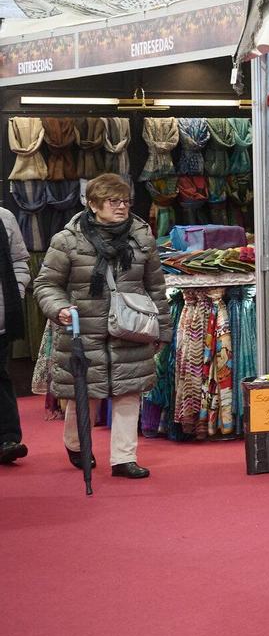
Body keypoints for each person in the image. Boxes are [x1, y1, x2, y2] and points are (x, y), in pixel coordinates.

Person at [34, 173, 168, 479]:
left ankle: (124, 458)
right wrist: (59, 308)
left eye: (126, 201)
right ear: (93, 205)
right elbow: (46, 284)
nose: (122, 207)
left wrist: (163, 328)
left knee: (129, 390)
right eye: (113, 201)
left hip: (131, 329)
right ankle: (77, 444)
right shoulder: (67, 240)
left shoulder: (141, 236)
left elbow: (156, 288)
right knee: (86, 392)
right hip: (83, 330)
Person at [0, 204, 30, 464]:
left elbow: (20, 261)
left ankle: (7, 439)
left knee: (0, 375)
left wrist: (16, 292)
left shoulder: (4, 217)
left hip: (0, 316)